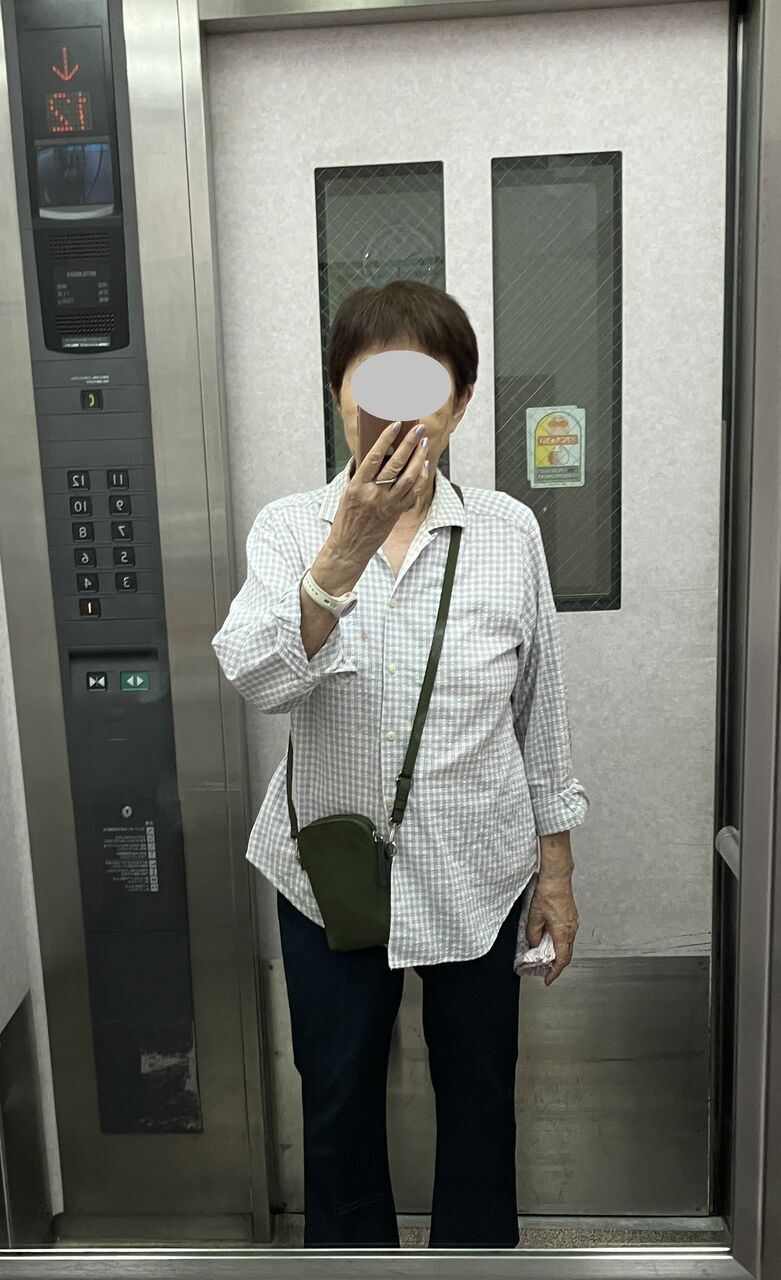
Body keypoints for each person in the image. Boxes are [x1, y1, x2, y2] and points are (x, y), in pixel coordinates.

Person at [212, 279, 589, 1249]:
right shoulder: (288, 528)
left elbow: (540, 705)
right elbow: (256, 677)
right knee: (336, 1102)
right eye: (369, 385)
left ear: (458, 402)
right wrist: (341, 555)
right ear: (338, 395)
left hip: (478, 866)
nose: (394, 413)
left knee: (480, 1096)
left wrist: (555, 869)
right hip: (327, 873)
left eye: (420, 387)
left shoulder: (509, 531)